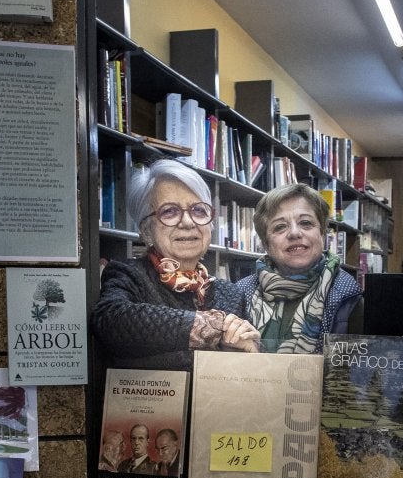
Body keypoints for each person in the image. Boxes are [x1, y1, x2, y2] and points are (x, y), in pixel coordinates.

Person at [91, 158, 260, 370]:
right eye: (169, 211)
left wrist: (250, 348)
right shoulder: (128, 274)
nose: (188, 222)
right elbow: (111, 321)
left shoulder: (230, 293)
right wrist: (214, 329)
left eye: (199, 210)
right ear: (146, 229)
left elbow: (238, 367)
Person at [234, 182, 363, 354]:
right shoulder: (240, 293)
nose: (295, 233)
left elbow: (352, 376)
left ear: (322, 233)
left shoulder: (350, 297)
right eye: (280, 227)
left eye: (306, 223)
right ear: (265, 243)